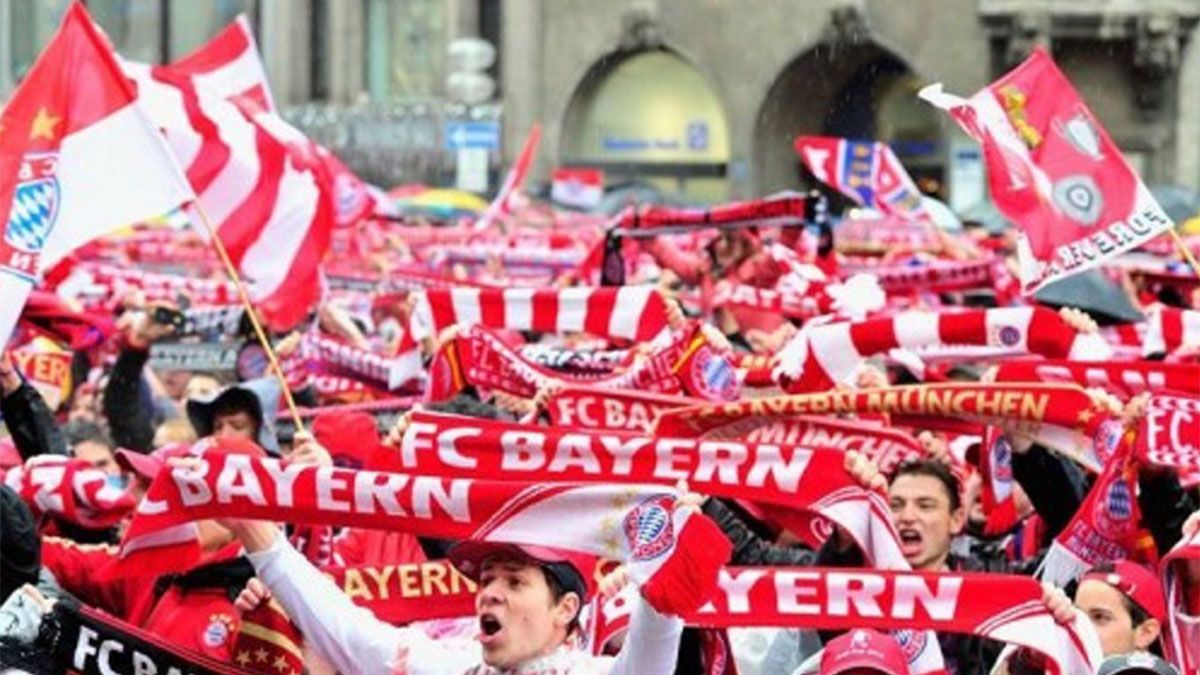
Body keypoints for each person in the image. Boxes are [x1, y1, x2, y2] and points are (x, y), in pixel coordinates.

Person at [224, 506, 693, 674]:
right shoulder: (452, 664)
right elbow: (351, 632)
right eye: (487, 579)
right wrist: (262, 542)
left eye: (514, 581)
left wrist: (668, 559)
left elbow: (654, 647)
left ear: (565, 608)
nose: (490, 592)